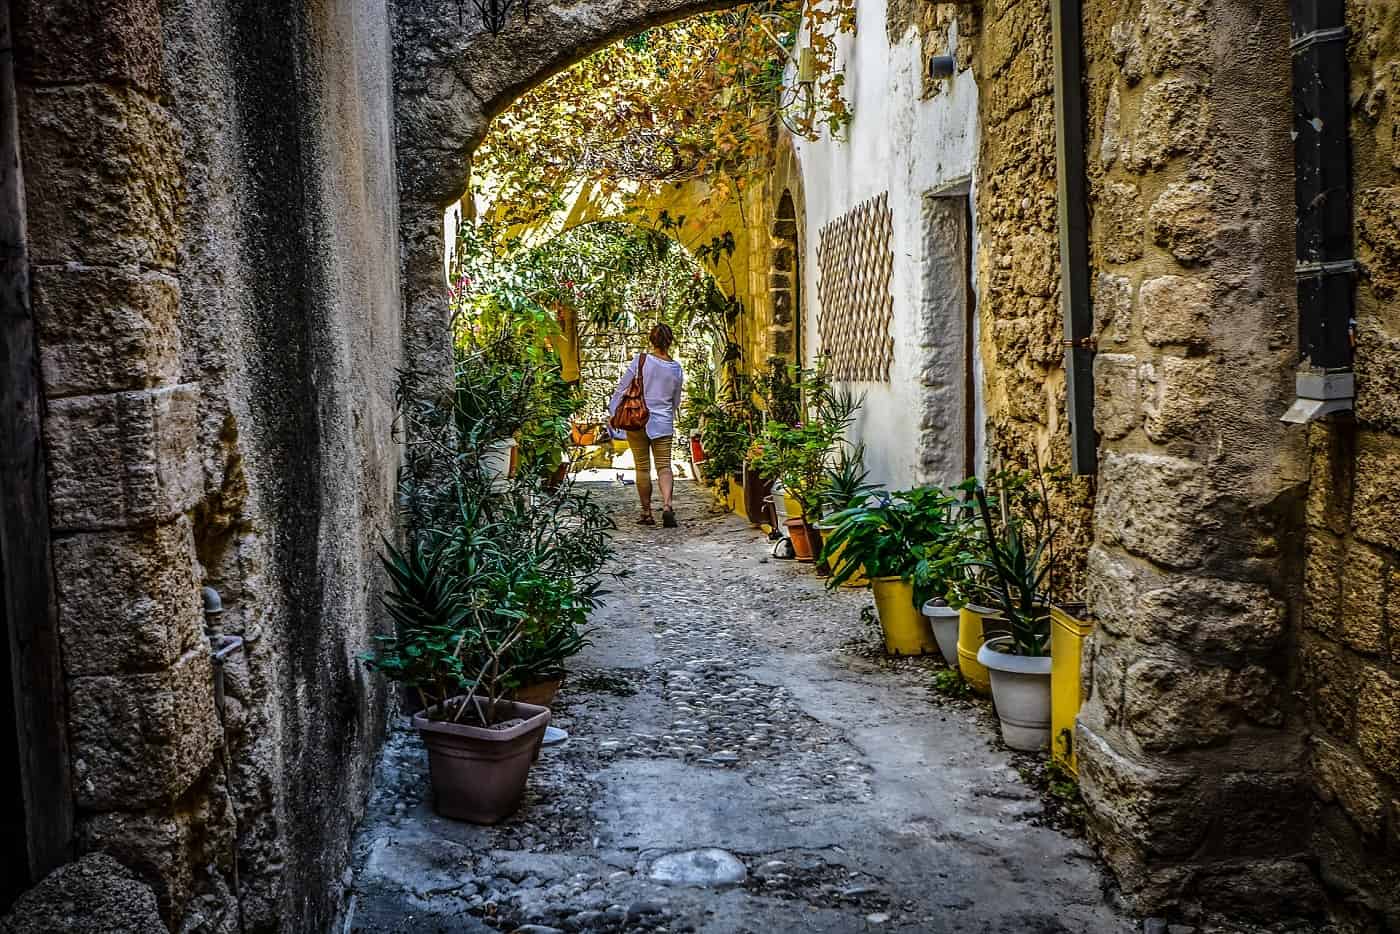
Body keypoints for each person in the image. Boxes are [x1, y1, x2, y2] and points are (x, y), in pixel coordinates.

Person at [608, 323, 684, 527]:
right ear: (670, 342)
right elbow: (676, 400)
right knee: (664, 467)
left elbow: (622, 388)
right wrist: (668, 413)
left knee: (642, 468)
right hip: (663, 422)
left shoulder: (640, 361)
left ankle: (647, 512)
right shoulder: (676, 368)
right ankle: (667, 506)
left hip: (637, 420)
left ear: (651, 340)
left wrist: (613, 413)